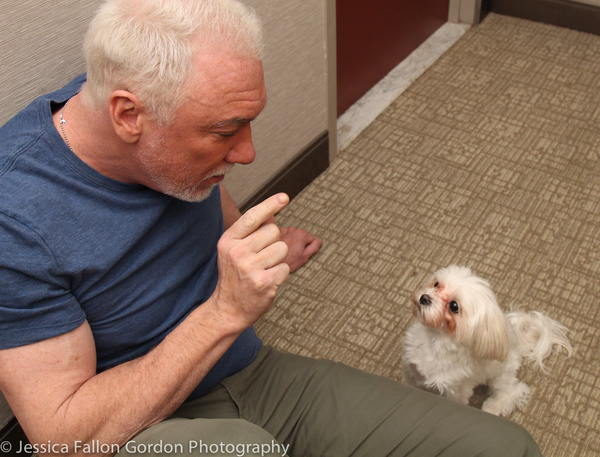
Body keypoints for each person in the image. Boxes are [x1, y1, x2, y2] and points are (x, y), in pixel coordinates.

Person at [0, 1, 542, 456]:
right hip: (140, 427)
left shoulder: (143, 103)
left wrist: (249, 237)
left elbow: (198, 182)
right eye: (224, 131)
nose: (248, 152)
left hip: (250, 370)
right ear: (127, 116)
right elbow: (63, 439)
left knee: (504, 447)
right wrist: (224, 313)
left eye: (249, 122)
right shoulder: (14, 218)